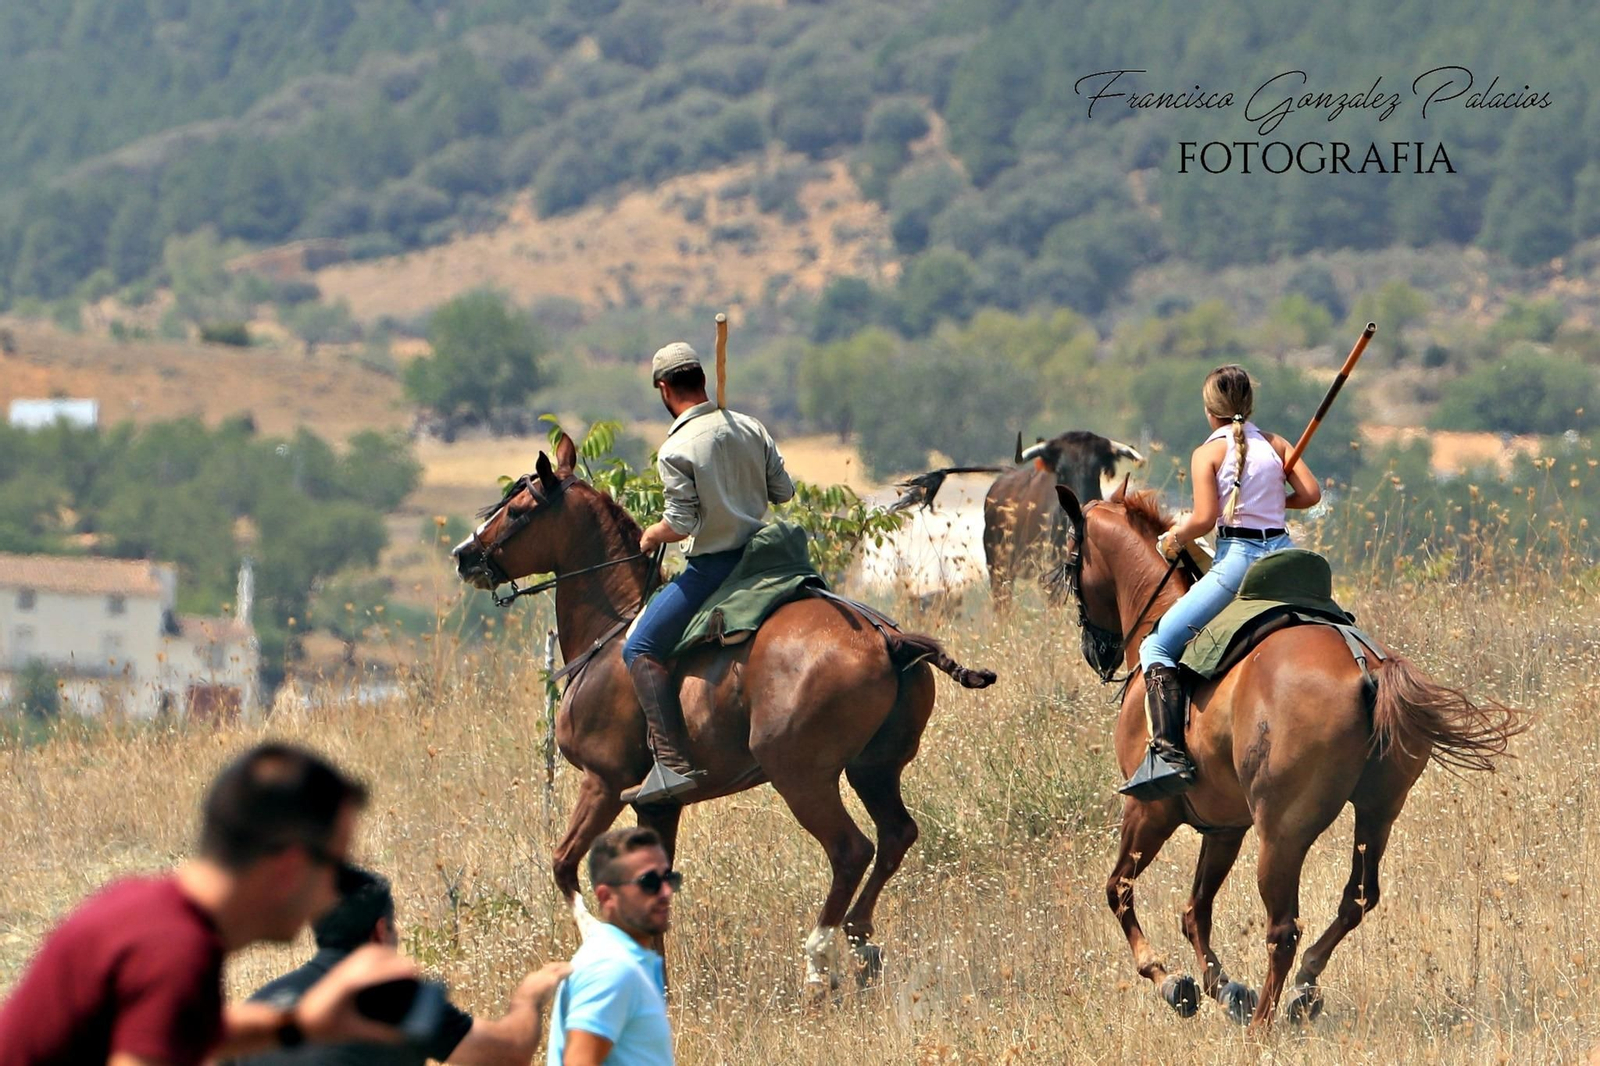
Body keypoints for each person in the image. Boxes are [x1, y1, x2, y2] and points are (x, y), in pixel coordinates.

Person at [0, 741, 418, 1065]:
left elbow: (175, 1030)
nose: (333, 894)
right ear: (289, 868)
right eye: (335, 867)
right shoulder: (175, 954)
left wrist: (301, 1023)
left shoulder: (143, 906)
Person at [1130, 364, 1322, 798]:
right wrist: (1274, 502)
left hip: (1240, 561)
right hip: (1286, 556)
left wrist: (1173, 536)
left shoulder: (1208, 453)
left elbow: (1202, 520)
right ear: (1249, 406)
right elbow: (1311, 496)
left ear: (1209, 410)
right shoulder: (1276, 444)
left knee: (1156, 646)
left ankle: (1167, 753)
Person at [620, 340, 795, 804]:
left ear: (663, 389)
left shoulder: (677, 447)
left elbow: (681, 524)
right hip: (769, 558)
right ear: (701, 378)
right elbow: (784, 492)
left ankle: (672, 764)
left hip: (716, 566)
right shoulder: (751, 426)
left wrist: (653, 534)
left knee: (638, 646)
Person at [229, 866, 570, 1066]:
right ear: (380, 931)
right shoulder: (400, 1002)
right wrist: (527, 999)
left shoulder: (260, 1007)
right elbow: (507, 1053)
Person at [547, 827, 677, 1066]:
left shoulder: (625, 961)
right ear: (606, 897)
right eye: (649, 882)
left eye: (669, 879)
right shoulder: (612, 968)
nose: (666, 892)